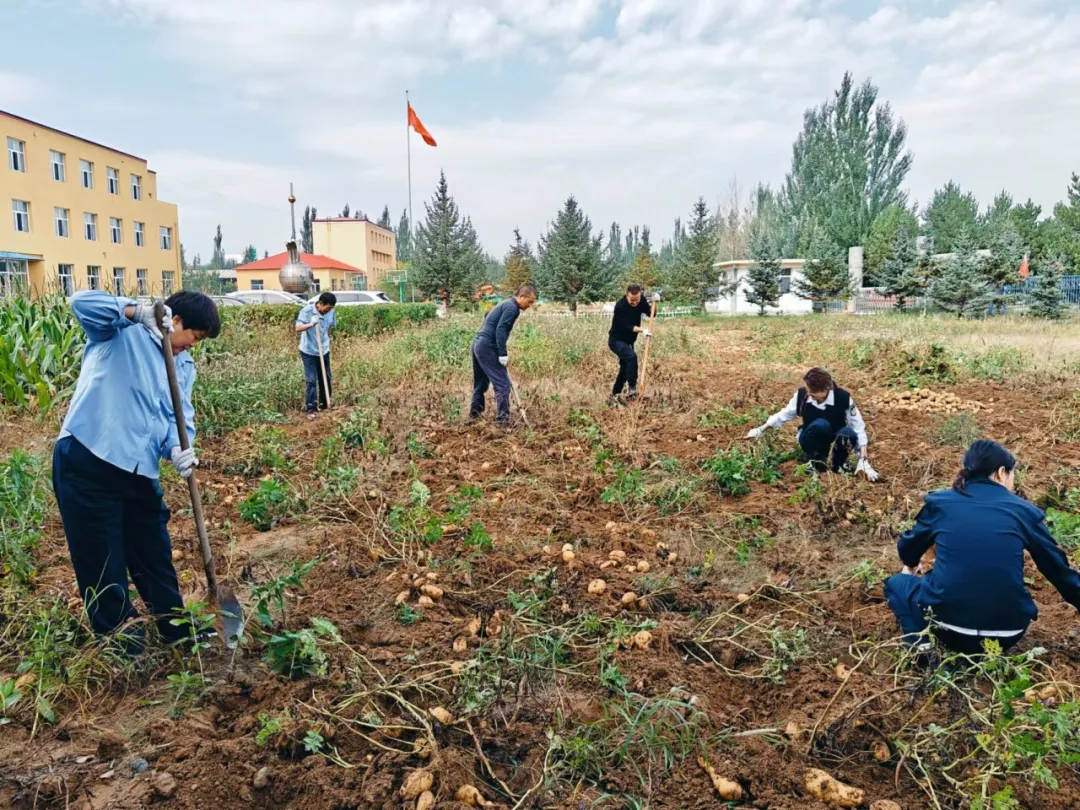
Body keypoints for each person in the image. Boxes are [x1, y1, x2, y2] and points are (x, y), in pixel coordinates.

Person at [53, 289, 221, 653]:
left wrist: (178, 445)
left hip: (139, 471)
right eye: (194, 338)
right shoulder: (119, 333)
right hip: (90, 458)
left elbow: (178, 417)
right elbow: (81, 304)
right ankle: (120, 641)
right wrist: (135, 312)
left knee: (154, 552)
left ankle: (175, 628)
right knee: (101, 558)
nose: (192, 347)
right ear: (175, 322)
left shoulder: (183, 366)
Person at [883, 440, 1080, 655]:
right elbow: (1058, 571)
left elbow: (907, 549)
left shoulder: (941, 503)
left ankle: (918, 648)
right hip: (1008, 632)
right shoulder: (1023, 511)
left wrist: (912, 563)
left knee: (897, 583)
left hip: (947, 628)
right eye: (1012, 475)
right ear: (1001, 473)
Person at [746, 367, 879, 480]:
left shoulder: (843, 398)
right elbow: (784, 414)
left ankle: (837, 466)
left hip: (833, 437)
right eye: (808, 390)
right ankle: (815, 461)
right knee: (821, 425)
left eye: (814, 392)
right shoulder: (802, 395)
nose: (809, 394)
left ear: (826, 389)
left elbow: (858, 427)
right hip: (810, 438)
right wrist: (761, 429)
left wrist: (863, 459)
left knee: (848, 433)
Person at [469, 285, 537, 426]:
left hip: (478, 343)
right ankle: (502, 421)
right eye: (529, 302)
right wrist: (502, 353)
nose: (529, 306)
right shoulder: (513, 308)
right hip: (487, 346)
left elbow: (487, 315)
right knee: (503, 385)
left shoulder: (504, 303)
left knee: (480, 383)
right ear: (522, 297)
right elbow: (501, 330)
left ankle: (474, 417)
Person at [607, 284, 659, 403]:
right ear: (627, 295)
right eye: (632, 300)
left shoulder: (641, 301)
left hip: (629, 341)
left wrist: (655, 303)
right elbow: (627, 326)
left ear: (640, 296)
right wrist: (643, 330)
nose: (635, 303)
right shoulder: (620, 306)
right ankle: (632, 389)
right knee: (631, 357)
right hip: (616, 340)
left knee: (625, 368)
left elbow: (652, 313)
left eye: (637, 300)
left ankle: (615, 394)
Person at [296, 292, 337, 419]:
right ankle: (311, 408)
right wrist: (311, 324)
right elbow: (298, 328)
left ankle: (325, 404)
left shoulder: (331, 312)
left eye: (331, 308)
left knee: (326, 377)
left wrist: (325, 341)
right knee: (311, 379)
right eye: (327, 308)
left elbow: (330, 327)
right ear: (320, 304)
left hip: (323, 350)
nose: (329, 310)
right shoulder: (307, 311)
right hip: (308, 351)